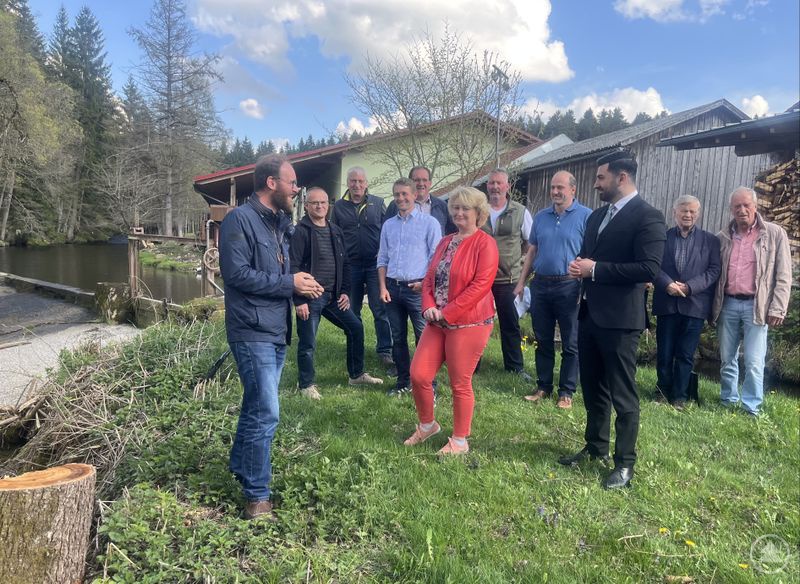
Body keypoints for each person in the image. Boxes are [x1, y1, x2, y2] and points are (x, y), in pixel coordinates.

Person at [219, 154, 324, 519]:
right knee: (267, 411)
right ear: (270, 183)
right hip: (250, 330)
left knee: (255, 405)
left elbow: (279, 272)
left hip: (276, 329)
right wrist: (287, 283)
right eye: (292, 183)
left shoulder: (278, 224)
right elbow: (237, 275)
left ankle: (239, 465)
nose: (296, 190)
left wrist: (299, 288)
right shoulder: (238, 220)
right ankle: (257, 496)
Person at [562, 149, 666, 490]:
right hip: (590, 313)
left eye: (600, 177)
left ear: (622, 177)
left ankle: (624, 464)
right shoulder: (596, 218)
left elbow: (649, 268)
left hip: (621, 320)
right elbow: (592, 260)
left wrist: (596, 270)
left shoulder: (648, 216)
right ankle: (595, 447)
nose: (595, 184)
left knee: (623, 393)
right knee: (592, 387)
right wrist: (581, 266)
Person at [404, 186, 498, 454]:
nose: (458, 212)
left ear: (478, 213)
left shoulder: (485, 243)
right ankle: (427, 425)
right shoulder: (446, 241)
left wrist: (448, 312)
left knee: (460, 381)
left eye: (464, 208)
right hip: (437, 321)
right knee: (419, 373)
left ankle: (460, 440)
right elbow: (430, 278)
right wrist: (429, 307)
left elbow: (480, 285)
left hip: (470, 323)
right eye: (455, 207)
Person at [290, 187, 384, 400]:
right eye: (315, 203)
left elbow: (345, 263)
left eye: (323, 203)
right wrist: (298, 300)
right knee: (308, 342)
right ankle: (306, 384)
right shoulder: (300, 231)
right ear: (306, 206)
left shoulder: (335, 230)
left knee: (356, 327)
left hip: (333, 297)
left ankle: (356, 374)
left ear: (328, 205)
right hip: (310, 297)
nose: (320, 206)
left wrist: (345, 292)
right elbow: (292, 267)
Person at [514, 170, 592, 409]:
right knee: (543, 339)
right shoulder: (541, 216)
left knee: (571, 342)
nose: (556, 192)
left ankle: (566, 391)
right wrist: (521, 282)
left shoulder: (586, 216)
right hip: (541, 285)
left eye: (561, 188)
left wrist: (585, 289)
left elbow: (590, 255)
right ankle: (543, 386)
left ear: (572, 190)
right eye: (553, 188)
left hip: (570, 286)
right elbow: (532, 251)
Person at [711, 187, 791, 416]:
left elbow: (784, 275)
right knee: (727, 358)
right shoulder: (722, 237)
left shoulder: (774, 233)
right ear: (731, 209)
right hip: (728, 304)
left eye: (746, 205)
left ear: (756, 207)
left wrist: (778, 307)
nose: (742, 210)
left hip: (758, 305)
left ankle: (751, 407)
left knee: (755, 361)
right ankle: (728, 400)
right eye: (737, 206)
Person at [653, 195, 721, 410]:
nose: (688, 215)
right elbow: (653, 265)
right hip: (667, 301)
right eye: (683, 210)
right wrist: (667, 284)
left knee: (685, 354)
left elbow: (713, 271)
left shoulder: (710, 240)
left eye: (692, 211)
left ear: (698, 214)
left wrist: (689, 287)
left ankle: (680, 397)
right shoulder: (662, 238)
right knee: (664, 352)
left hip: (694, 305)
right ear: (675, 212)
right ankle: (662, 390)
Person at [378, 178, 442, 396]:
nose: (400, 198)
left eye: (405, 194)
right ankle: (403, 382)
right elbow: (382, 259)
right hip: (393, 289)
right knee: (398, 338)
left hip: (417, 289)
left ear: (415, 195)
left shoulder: (429, 223)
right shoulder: (389, 225)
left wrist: (426, 284)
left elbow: (436, 258)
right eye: (396, 194)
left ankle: (428, 384)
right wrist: (382, 288)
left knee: (424, 337)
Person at [331, 167, 394, 373]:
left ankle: (385, 350)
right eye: (352, 181)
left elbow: (388, 230)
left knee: (379, 308)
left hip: (375, 265)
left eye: (360, 181)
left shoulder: (377, 203)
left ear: (366, 183)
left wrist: (385, 254)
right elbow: (334, 235)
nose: (356, 185)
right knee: (352, 308)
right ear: (347, 184)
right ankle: (355, 345)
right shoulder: (339, 207)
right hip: (351, 266)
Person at [481, 169, 534, 381]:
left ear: (507, 186)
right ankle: (472, 364)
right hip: (481, 279)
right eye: (492, 183)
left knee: (510, 323)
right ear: (487, 186)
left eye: (499, 183)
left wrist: (519, 262)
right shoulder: (480, 210)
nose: (495, 187)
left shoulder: (520, 211)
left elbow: (530, 242)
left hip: (508, 279)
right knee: (476, 323)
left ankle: (515, 367)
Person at [385, 165, 456, 235]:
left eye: (424, 180)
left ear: (430, 183)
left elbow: (453, 233)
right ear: (410, 183)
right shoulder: (395, 205)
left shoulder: (442, 206)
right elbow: (386, 232)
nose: (421, 183)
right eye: (417, 180)